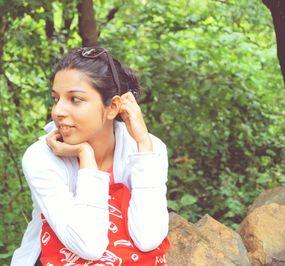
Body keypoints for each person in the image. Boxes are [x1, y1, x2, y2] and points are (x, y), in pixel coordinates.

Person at [10, 47, 170, 266]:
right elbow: (88, 245)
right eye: (56, 99)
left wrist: (143, 144)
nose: (58, 111)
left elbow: (149, 238)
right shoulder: (41, 157)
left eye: (75, 99)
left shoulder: (148, 149)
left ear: (113, 107)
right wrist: (86, 156)